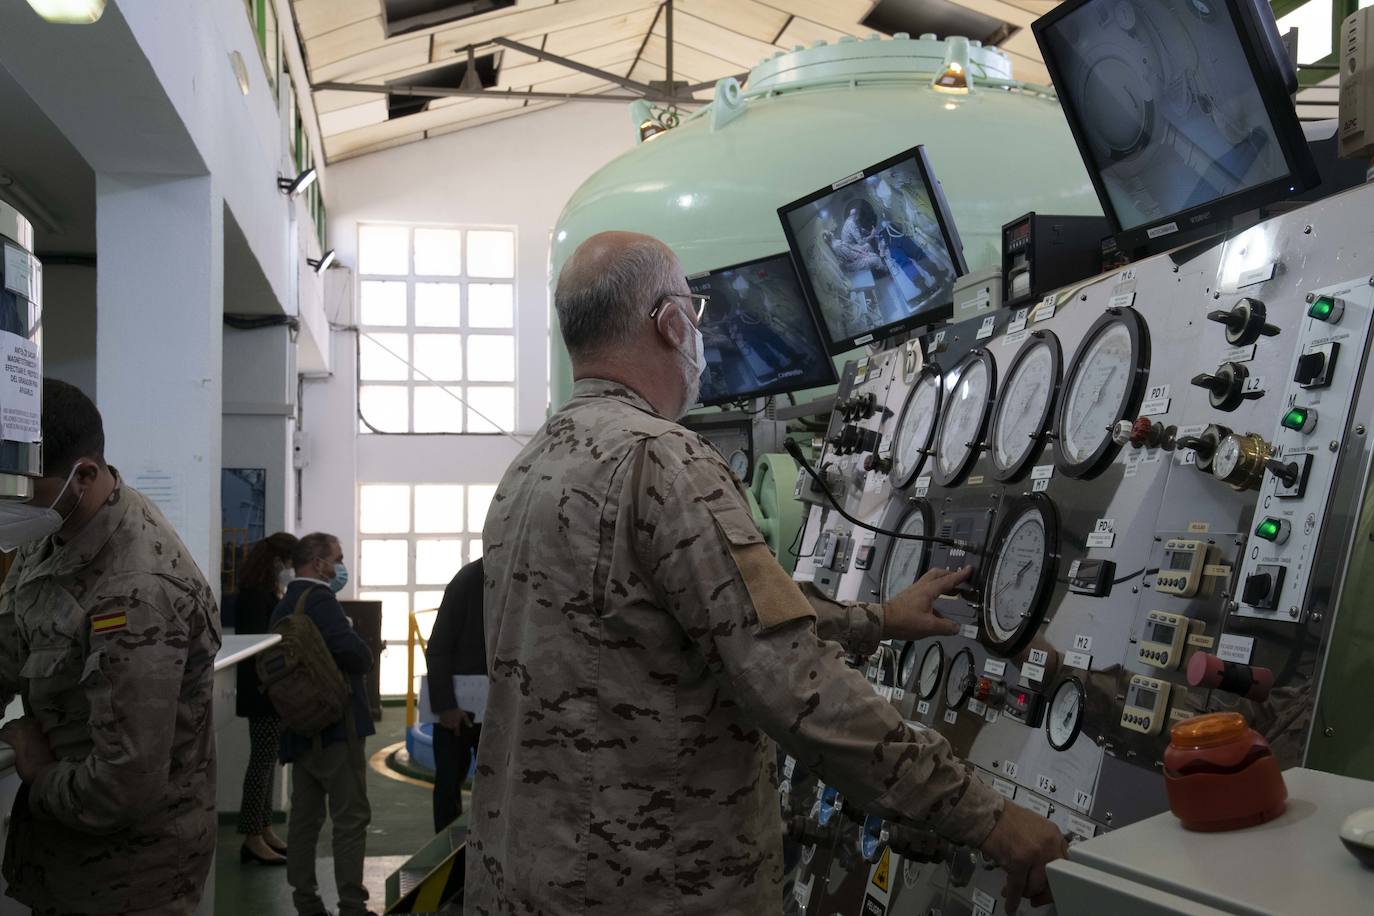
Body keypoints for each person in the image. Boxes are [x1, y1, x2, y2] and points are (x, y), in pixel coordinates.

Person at [466, 232, 1068, 915]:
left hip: (530, 874)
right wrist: (990, 819)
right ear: (670, 322)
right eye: (693, 310)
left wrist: (876, 620)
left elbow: (672, 624)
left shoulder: (531, 468)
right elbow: (792, 683)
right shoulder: (662, 460)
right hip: (652, 884)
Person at [0, 378, 221, 915]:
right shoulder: (55, 530)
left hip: (129, 877)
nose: (12, 500)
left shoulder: (138, 589)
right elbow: (9, 641)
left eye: (23, 486)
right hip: (62, 861)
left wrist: (37, 769)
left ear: (84, 475)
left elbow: (123, 786)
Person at [271, 532, 377, 916]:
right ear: (318, 563)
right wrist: (365, 649)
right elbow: (353, 654)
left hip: (300, 730)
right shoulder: (321, 600)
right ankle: (351, 904)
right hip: (337, 730)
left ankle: (306, 902)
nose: (341, 566)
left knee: (304, 820)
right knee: (350, 819)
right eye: (338, 557)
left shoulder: (282, 607)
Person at [234, 531, 298, 865]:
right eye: (289, 562)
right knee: (260, 765)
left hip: (268, 690)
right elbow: (261, 647)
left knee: (266, 762)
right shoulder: (256, 597)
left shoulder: (263, 593)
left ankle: (263, 828)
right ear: (276, 562)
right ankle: (251, 837)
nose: (290, 569)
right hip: (262, 692)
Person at [425, 557, 487, 833]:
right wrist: (447, 706)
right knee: (449, 788)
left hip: (497, 708)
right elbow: (438, 647)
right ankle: (448, 860)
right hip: (459, 712)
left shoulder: (519, 577)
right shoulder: (468, 581)